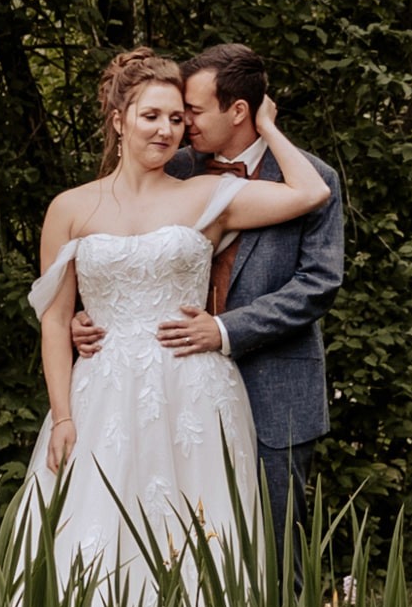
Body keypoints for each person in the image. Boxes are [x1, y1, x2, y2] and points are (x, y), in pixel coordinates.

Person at [16, 48, 333, 607]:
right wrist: (62, 418)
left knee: (196, 533)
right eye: (151, 116)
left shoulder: (204, 193)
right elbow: (57, 320)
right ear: (119, 119)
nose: (167, 130)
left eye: (177, 119)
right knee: (97, 533)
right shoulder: (69, 208)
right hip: (103, 394)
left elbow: (311, 193)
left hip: (194, 390)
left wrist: (265, 123)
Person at [69, 41, 342, 525]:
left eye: (191, 111)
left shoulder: (311, 175)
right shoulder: (176, 165)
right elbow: (119, 236)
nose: (181, 124)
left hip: (274, 383)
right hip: (173, 388)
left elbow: (318, 284)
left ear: (239, 111)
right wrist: (90, 313)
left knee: (274, 551)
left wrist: (224, 330)